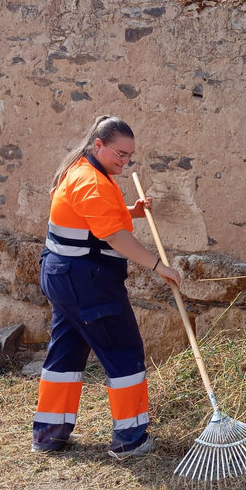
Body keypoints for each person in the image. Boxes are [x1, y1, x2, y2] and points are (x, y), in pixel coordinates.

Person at [32, 115, 181, 459]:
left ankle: (49, 434)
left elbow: (96, 217)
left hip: (64, 275)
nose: (125, 162)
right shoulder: (91, 181)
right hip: (88, 282)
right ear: (98, 145)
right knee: (123, 350)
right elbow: (113, 235)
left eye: (130, 156)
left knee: (66, 351)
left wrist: (133, 211)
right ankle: (131, 439)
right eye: (119, 154)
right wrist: (158, 266)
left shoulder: (87, 171)